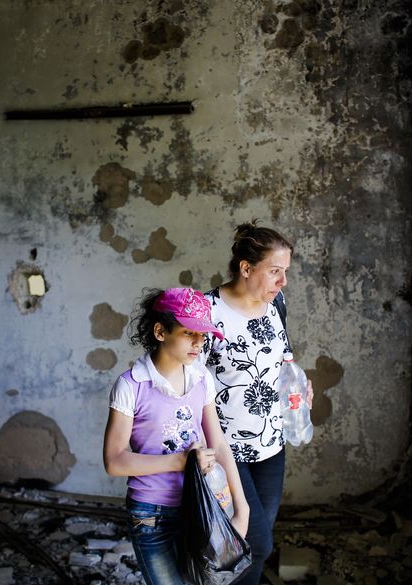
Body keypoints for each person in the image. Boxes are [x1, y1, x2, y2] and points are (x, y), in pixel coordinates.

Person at [103, 287, 250, 585]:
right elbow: (115, 462)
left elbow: (218, 443)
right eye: (188, 333)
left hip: (201, 503)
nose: (199, 343)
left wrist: (242, 506)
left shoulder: (201, 379)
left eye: (203, 335)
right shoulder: (131, 386)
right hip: (151, 513)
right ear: (160, 331)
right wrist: (180, 461)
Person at [201, 221, 313, 585]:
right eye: (275, 272)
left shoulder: (275, 302)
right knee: (256, 544)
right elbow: (188, 384)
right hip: (225, 450)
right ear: (246, 268)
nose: (283, 282)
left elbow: (283, 361)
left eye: (286, 272)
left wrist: (301, 385)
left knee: (248, 547)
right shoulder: (206, 312)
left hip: (271, 446)